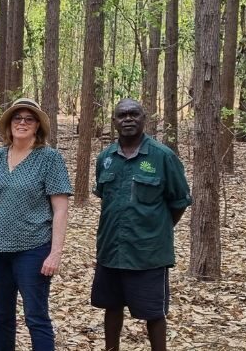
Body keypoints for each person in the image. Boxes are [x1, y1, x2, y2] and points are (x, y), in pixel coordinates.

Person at [0, 98, 72, 351]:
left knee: (36, 315)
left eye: (29, 119)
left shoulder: (49, 158)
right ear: (9, 124)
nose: (22, 123)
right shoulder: (0, 157)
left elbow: (61, 209)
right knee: (2, 315)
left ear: (37, 126)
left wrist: (55, 253)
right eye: (17, 118)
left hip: (33, 248)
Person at [91, 99, 192, 351]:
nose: (128, 119)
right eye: (121, 115)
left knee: (153, 312)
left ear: (144, 118)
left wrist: (157, 229)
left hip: (148, 253)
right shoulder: (105, 158)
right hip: (111, 249)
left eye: (133, 114)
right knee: (112, 306)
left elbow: (179, 201)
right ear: (113, 121)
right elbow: (106, 195)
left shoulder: (163, 157)